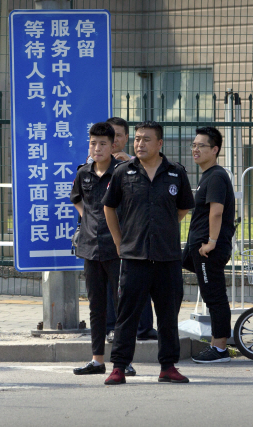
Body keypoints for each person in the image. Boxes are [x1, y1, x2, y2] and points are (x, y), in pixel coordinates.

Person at [101, 121, 195, 385]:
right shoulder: (123, 172)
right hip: (134, 257)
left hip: (167, 258)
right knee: (127, 315)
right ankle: (119, 366)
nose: (139, 144)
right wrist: (120, 243)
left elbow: (182, 208)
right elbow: (109, 208)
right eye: (137, 139)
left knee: (167, 316)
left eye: (146, 140)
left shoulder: (176, 173)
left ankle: (168, 366)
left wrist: (161, 226)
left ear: (160, 144)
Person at [70, 123, 122, 376]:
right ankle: (97, 360)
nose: (97, 148)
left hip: (118, 248)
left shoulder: (123, 172)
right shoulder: (83, 173)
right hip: (90, 248)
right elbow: (77, 199)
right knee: (96, 305)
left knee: (122, 303)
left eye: (102, 143)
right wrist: (89, 218)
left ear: (113, 146)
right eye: (93, 143)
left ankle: (124, 361)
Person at [104, 117, 157, 346]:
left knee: (140, 282)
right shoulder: (95, 163)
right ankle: (111, 328)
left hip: (136, 236)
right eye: (110, 135)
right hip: (107, 235)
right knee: (112, 285)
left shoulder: (137, 163)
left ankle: (144, 328)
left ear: (126, 138)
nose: (114, 140)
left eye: (118, 135)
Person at [185, 127, 235, 363]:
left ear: (215, 150)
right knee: (212, 294)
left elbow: (216, 212)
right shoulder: (209, 175)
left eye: (201, 145)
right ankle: (218, 345)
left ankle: (220, 348)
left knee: (214, 296)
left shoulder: (215, 176)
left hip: (209, 248)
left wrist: (211, 243)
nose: (195, 149)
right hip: (204, 247)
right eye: (194, 145)